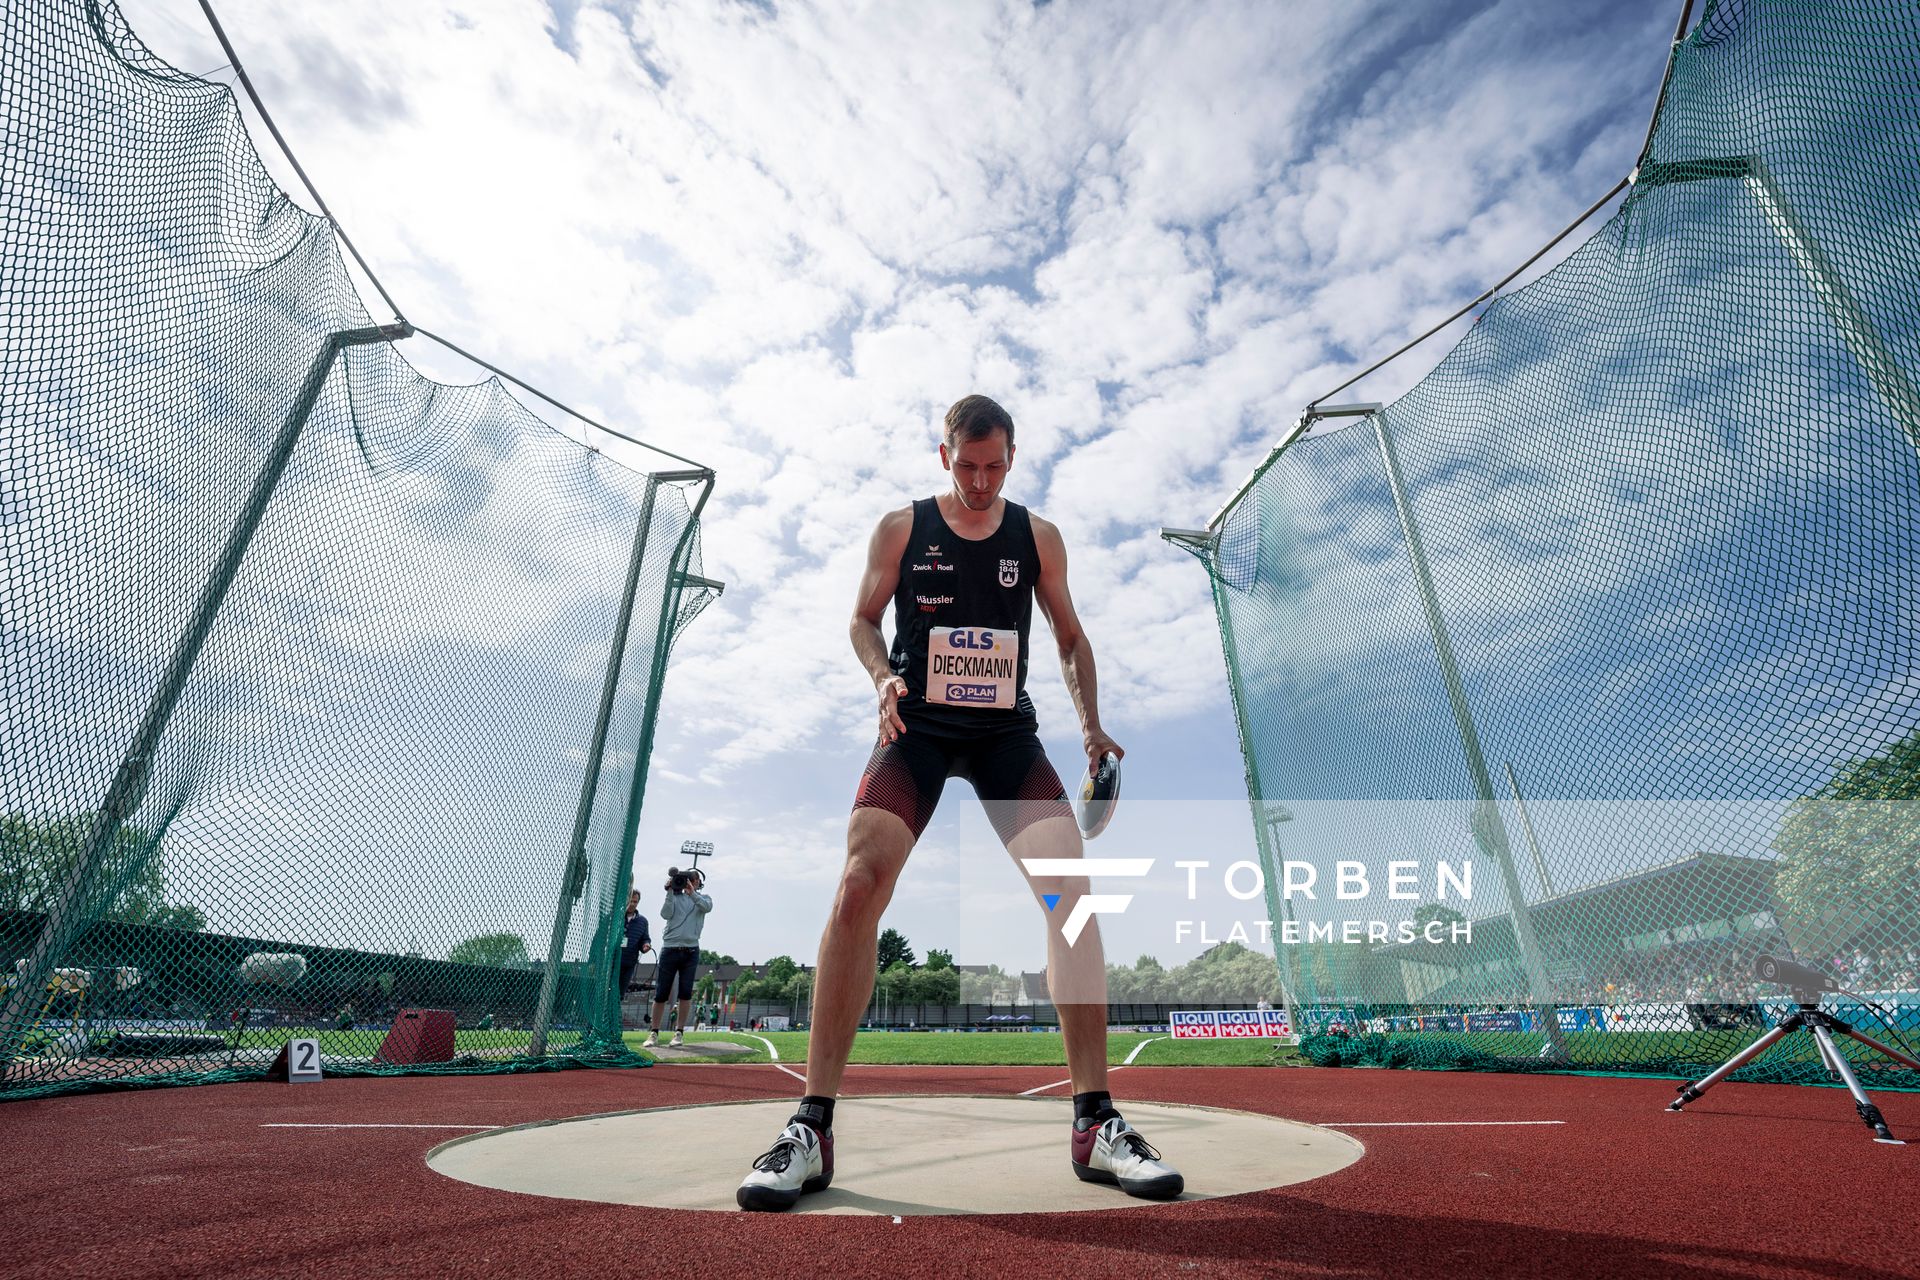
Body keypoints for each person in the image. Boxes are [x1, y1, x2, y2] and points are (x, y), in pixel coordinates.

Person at [737, 395, 1182, 1211]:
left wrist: (1090, 727)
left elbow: (1070, 637)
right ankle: (810, 1126)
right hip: (918, 726)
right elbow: (863, 620)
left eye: (995, 466)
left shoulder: (1037, 538)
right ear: (943, 455)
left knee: (1070, 893)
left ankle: (1096, 1122)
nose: (980, 481)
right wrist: (883, 677)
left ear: (1012, 459)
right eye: (967, 465)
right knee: (858, 884)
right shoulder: (900, 529)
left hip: (1004, 734)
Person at [642, 866, 710, 1050]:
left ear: (698, 882)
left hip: (690, 951)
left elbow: (707, 908)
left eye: (692, 880)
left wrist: (692, 893)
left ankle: (679, 1032)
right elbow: (665, 914)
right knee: (661, 992)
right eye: (686, 879)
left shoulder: (703, 899)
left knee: (685, 992)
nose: (688, 882)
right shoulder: (674, 896)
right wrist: (670, 892)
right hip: (670, 949)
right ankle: (654, 1032)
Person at [618, 888, 652, 1005]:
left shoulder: (642, 921)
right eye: (630, 901)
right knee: (607, 990)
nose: (632, 904)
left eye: (635, 902)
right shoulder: (616, 917)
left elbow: (645, 938)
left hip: (629, 963)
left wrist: (646, 945)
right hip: (612, 963)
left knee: (620, 994)